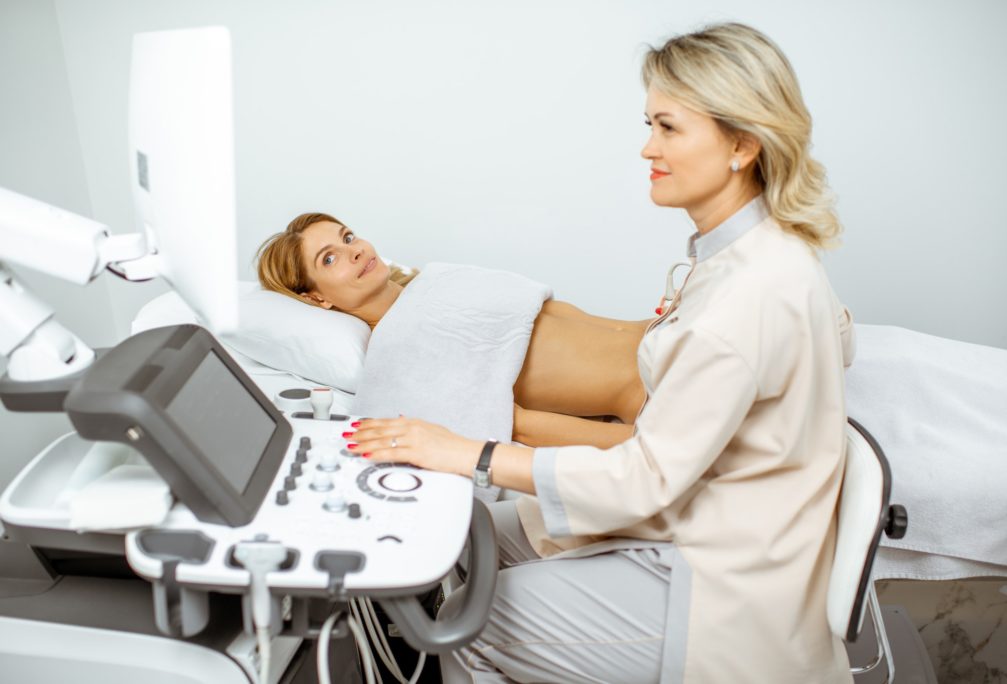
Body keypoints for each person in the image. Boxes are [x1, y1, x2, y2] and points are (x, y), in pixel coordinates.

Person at [348, 22, 856, 683]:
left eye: (669, 128)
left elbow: (642, 478)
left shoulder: (742, 299)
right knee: (466, 538)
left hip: (726, 576)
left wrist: (465, 451)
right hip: (706, 510)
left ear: (742, 144)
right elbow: (831, 335)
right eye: (650, 124)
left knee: (471, 623)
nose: (648, 147)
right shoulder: (764, 254)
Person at [257, 212, 654, 449]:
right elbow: (514, 426)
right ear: (315, 299)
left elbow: (561, 316)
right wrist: (647, 447)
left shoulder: (438, 280)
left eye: (348, 237)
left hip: (673, 338)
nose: (354, 250)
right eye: (330, 258)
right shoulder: (397, 354)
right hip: (658, 394)